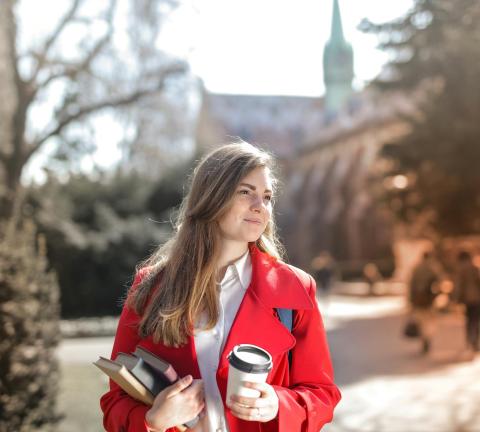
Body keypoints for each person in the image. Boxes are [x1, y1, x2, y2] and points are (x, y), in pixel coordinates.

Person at [100, 142, 341, 432]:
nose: (260, 206)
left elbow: (322, 394)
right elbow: (115, 402)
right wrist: (153, 422)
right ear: (211, 198)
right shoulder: (150, 287)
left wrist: (277, 404)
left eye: (267, 197)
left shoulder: (295, 289)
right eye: (245, 192)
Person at [408, 251, 439, 354]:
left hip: (417, 299)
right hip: (429, 299)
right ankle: (427, 338)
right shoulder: (433, 268)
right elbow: (439, 282)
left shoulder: (417, 268)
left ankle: (424, 338)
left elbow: (411, 285)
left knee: (421, 320)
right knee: (429, 320)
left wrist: (411, 300)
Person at [454, 251, 480, 353]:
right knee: (476, 320)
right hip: (477, 299)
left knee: (469, 320)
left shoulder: (460, 270)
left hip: (467, 300)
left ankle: (469, 340)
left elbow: (458, 286)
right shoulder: (474, 268)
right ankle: (475, 342)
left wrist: (456, 299)